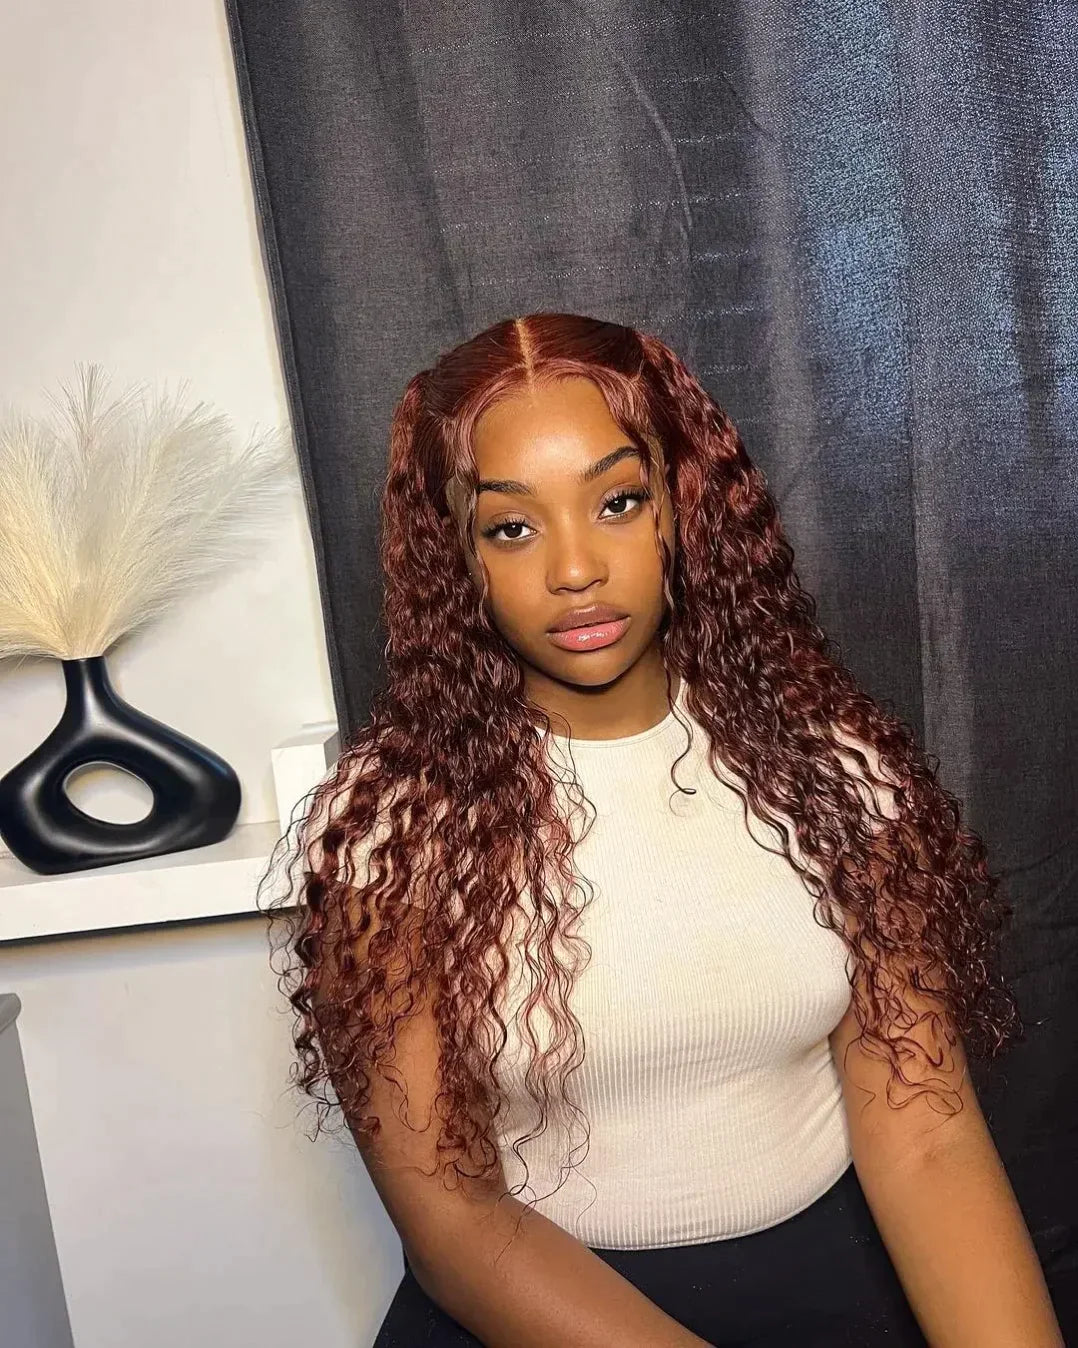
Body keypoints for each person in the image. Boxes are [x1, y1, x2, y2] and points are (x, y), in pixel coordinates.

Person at [261, 314, 1064, 1346]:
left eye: (618, 501)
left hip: (836, 1292)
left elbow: (926, 1134)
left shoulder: (835, 778)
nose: (575, 568)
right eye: (511, 528)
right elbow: (454, 1223)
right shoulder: (391, 831)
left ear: (682, 506)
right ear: (454, 554)